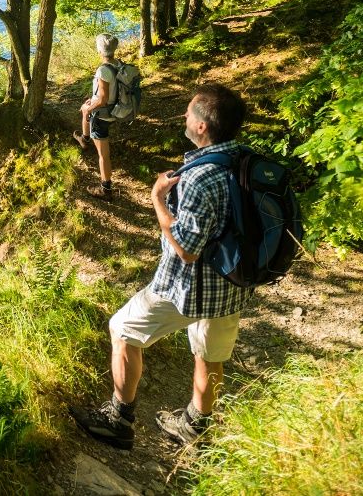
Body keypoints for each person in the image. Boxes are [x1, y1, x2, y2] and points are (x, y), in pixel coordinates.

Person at [70, 83, 253, 450]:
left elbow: (186, 250)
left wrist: (157, 200)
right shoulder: (244, 160)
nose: (184, 115)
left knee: (123, 329)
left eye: (189, 112)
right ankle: (194, 427)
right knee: (210, 354)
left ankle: (118, 419)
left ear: (202, 126)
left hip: (189, 288)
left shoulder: (200, 178)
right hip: (233, 283)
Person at [73, 33, 120, 199]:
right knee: (86, 106)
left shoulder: (103, 70)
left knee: (103, 155)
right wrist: (91, 103)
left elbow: (103, 99)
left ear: (100, 50)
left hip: (103, 115)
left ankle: (106, 189)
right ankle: (85, 139)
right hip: (116, 108)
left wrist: (89, 109)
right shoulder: (118, 64)